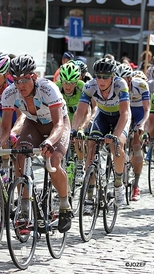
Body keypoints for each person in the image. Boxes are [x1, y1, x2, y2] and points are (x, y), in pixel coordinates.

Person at [0, 54, 73, 233]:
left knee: (54, 162)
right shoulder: (9, 93)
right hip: (33, 123)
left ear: (33, 77)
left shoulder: (48, 89)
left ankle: (65, 203)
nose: (20, 85)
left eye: (25, 80)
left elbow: (58, 124)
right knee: (20, 155)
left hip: (57, 124)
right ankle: (25, 208)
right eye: (16, 80)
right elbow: (5, 128)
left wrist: (49, 141)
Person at [72, 57, 131, 207]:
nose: (101, 80)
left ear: (112, 77)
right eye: (98, 76)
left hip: (120, 117)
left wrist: (116, 136)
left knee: (116, 146)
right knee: (91, 147)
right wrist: (74, 130)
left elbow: (125, 113)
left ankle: (118, 183)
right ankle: (89, 196)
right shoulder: (90, 86)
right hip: (102, 116)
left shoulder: (120, 84)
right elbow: (80, 112)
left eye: (105, 77)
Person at [114, 63, 150, 201]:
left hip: (139, 111)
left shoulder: (141, 85)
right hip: (125, 111)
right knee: (120, 144)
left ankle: (136, 185)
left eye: (126, 79)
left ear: (130, 78)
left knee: (136, 145)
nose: (123, 82)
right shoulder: (117, 86)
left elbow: (147, 109)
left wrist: (142, 124)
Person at [56, 61, 94, 182]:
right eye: (65, 82)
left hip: (79, 117)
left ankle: (80, 163)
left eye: (72, 83)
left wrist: (82, 129)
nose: (68, 86)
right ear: (61, 80)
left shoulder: (82, 86)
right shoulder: (56, 87)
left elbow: (87, 112)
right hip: (64, 118)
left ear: (77, 81)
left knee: (78, 136)